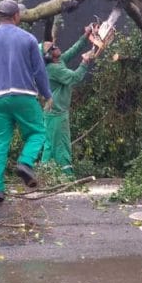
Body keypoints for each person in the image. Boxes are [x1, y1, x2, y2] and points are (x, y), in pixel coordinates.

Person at [0, 0, 52, 204]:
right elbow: (39, 71)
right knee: (38, 132)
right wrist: (47, 94)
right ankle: (25, 162)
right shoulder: (29, 39)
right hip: (24, 96)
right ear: (17, 16)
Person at [40, 26, 96, 176]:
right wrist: (84, 62)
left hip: (53, 112)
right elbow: (75, 77)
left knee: (50, 146)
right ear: (48, 56)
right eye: (52, 48)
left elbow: (73, 50)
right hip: (57, 113)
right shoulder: (54, 69)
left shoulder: (58, 61)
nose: (56, 47)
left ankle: (44, 176)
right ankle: (68, 177)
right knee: (62, 145)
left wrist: (86, 36)